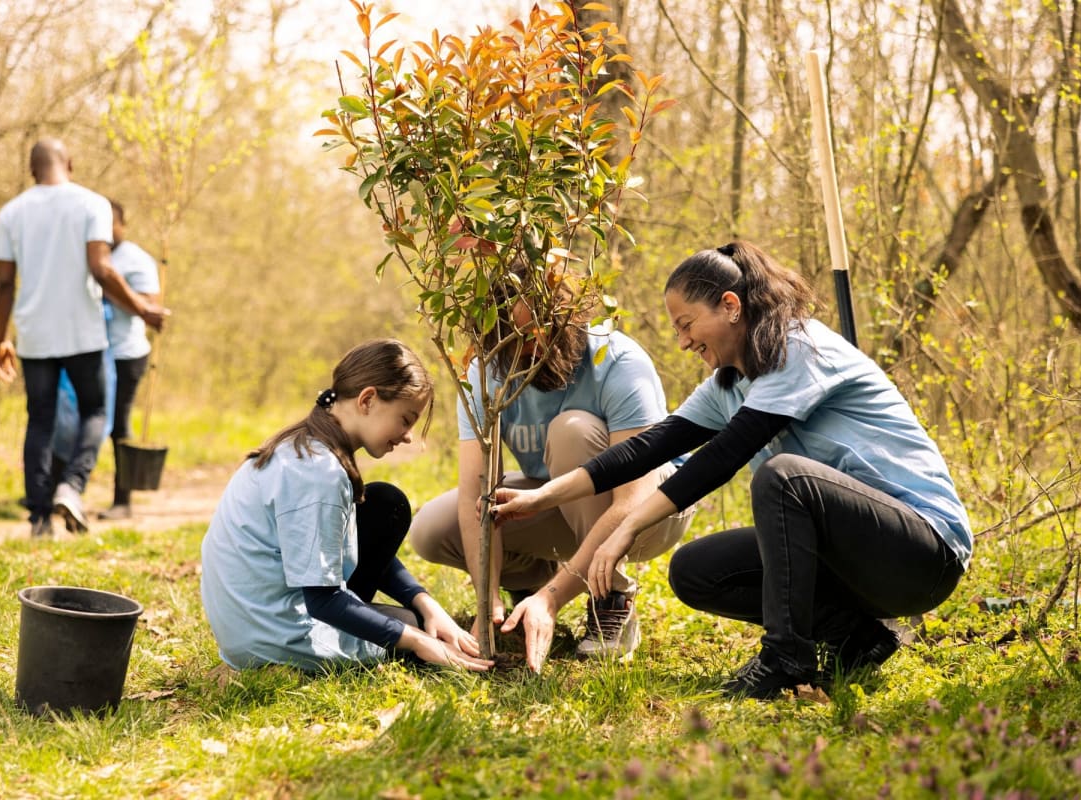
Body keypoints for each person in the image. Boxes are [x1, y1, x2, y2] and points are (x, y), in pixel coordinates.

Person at [491, 241, 972, 696]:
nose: (682, 342)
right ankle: (857, 636)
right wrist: (543, 495)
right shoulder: (732, 380)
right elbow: (651, 446)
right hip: (857, 556)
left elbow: (723, 457)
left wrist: (627, 527)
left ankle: (787, 659)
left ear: (730, 306)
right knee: (696, 571)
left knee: (784, 477)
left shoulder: (800, 348)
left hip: (922, 554)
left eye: (686, 324)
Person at [409, 274, 694, 663]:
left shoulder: (617, 360)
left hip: (651, 509)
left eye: (537, 333)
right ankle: (527, 586)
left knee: (571, 432)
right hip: (561, 503)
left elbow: (634, 498)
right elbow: (477, 492)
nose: (529, 349)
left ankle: (611, 598)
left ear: (568, 320)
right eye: (514, 338)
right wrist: (486, 597)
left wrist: (554, 600)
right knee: (431, 529)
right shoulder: (487, 371)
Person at [200, 339, 492, 673]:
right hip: (270, 637)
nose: (408, 435)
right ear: (367, 399)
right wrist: (417, 640)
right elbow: (323, 600)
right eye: (405, 419)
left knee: (385, 506)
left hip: (251, 625)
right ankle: (285, 664)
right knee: (412, 636)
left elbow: (343, 544)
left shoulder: (306, 447)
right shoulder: (319, 474)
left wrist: (424, 602)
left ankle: (405, 623)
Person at [0, 138, 167, 538]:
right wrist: (144, 310)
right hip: (83, 335)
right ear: (70, 164)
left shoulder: (11, 212)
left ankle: (39, 519)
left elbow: (4, 284)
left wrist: (0, 340)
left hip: (34, 335)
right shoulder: (93, 205)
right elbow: (101, 268)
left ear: (31, 169)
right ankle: (72, 486)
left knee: (39, 421)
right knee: (96, 412)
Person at [96, 199, 162, 521]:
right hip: (90, 350)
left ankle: (123, 501)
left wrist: (109, 287)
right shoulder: (90, 253)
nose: (105, 230)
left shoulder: (136, 260)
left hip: (126, 353)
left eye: (110, 223)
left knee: (118, 425)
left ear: (122, 224)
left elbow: (152, 307)